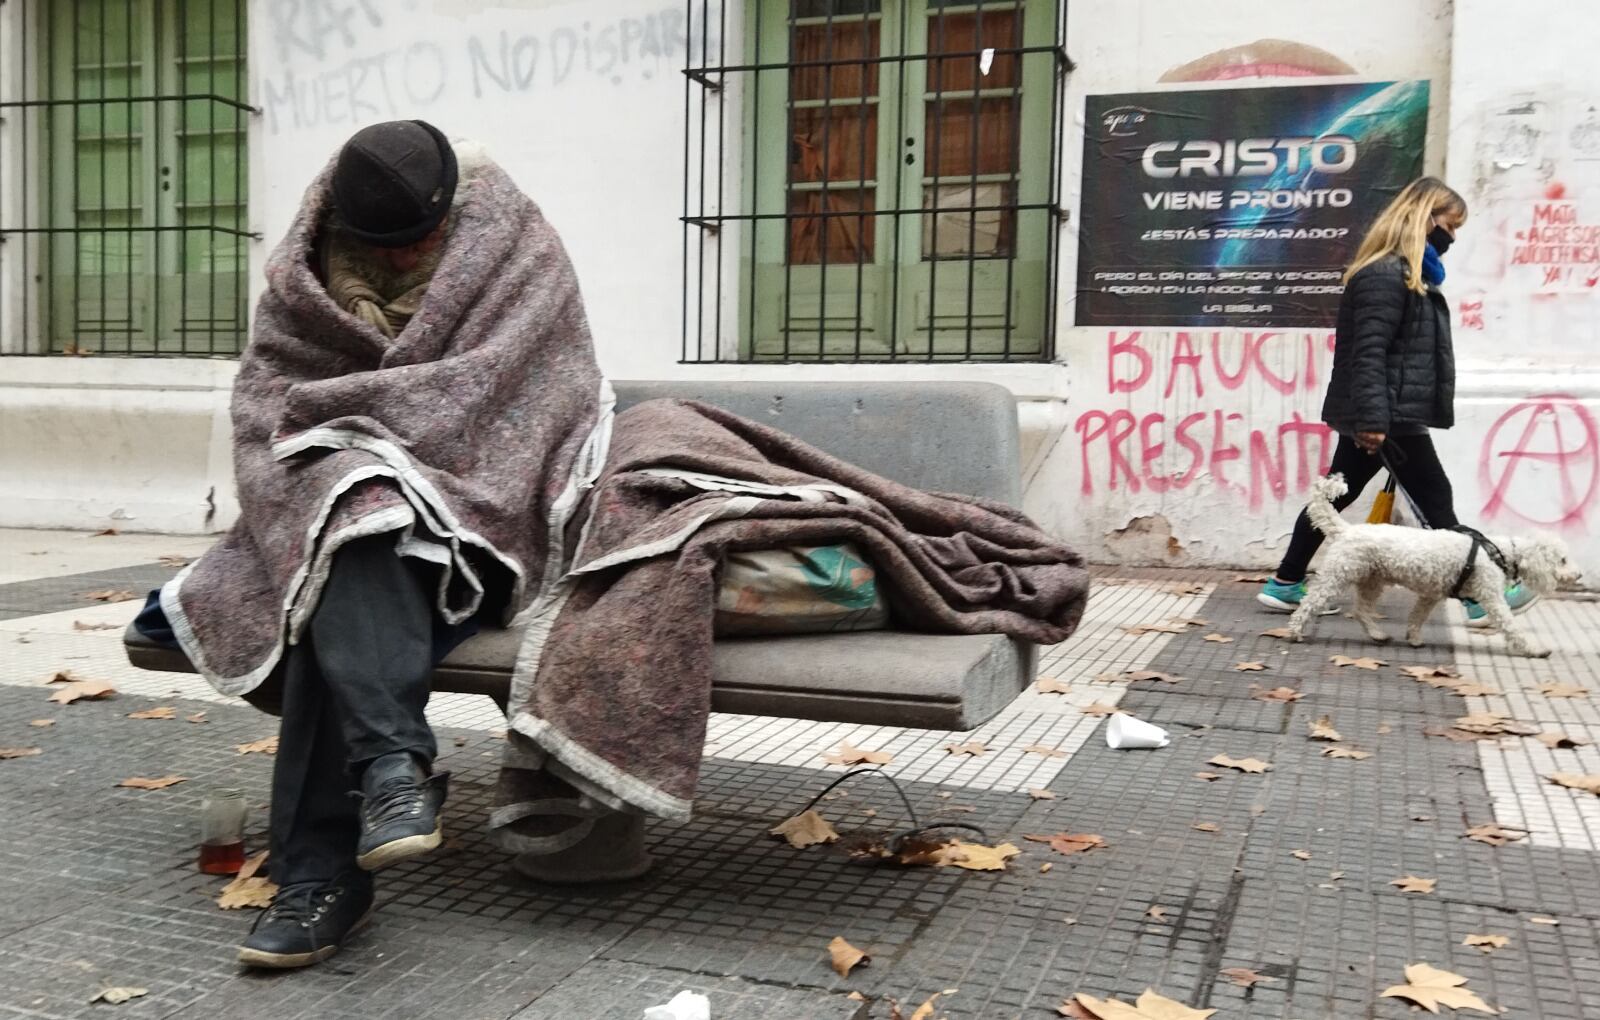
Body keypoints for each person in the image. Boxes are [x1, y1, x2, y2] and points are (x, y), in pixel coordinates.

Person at [137, 119, 614, 968]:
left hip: (482, 515)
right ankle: (390, 770)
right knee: (350, 521)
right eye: (379, 245)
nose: (398, 263)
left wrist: (379, 446)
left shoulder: (520, 254)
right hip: (349, 521)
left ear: (453, 213)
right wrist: (359, 457)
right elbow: (268, 406)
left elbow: (541, 394)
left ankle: (320, 879)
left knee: (342, 547)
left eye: (419, 243)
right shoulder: (305, 272)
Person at [1256, 176, 1536, 622]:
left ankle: (1285, 583)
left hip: (1385, 411)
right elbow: (1368, 352)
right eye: (1450, 224)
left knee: (1335, 499)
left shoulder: (1406, 274)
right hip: (1387, 415)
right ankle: (1478, 596)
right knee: (1435, 502)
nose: (1454, 236)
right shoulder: (1385, 275)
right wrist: (1372, 419)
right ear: (1425, 219)